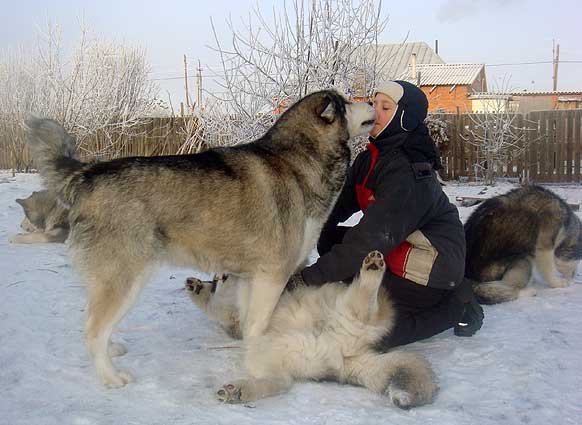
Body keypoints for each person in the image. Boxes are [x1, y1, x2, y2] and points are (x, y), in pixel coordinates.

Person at [292, 80, 483, 348]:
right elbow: (331, 208)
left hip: (428, 265)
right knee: (329, 236)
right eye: (374, 104)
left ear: (405, 118)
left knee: (364, 335)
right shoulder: (371, 158)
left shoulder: (408, 172)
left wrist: (304, 281)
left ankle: (454, 306)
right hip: (395, 248)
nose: (374, 112)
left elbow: (368, 241)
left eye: (386, 107)